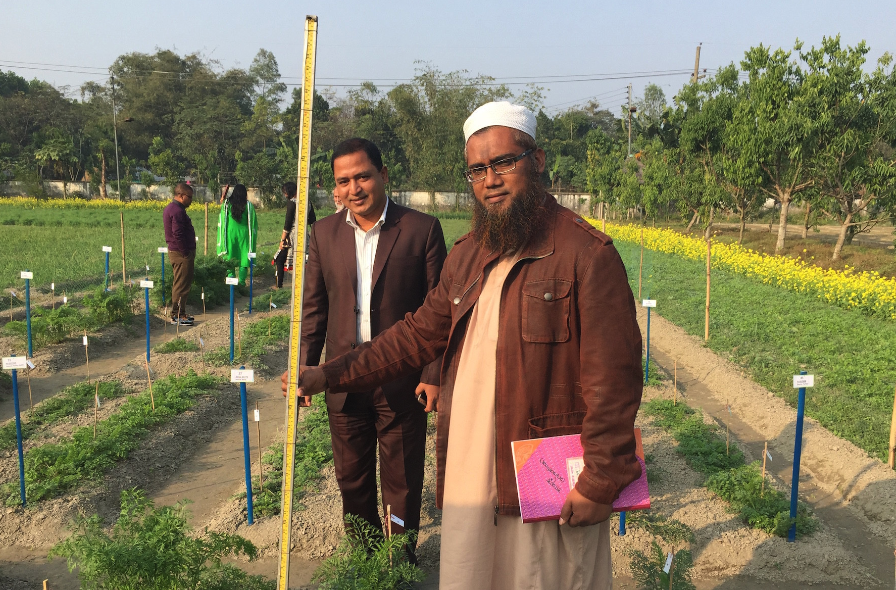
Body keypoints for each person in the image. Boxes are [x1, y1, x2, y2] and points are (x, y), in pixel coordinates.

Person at [285, 103, 643, 589]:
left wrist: (601, 479)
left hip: (540, 469)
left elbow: (613, 383)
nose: (490, 180)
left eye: (504, 163)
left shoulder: (586, 254)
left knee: (540, 577)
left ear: (536, 161)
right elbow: (412, 337)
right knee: (474, 572)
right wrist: (326, 373)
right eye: (477, 169)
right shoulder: (471, 253)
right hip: (472, 465)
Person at [298, 137, 446, 562]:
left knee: (401, 479)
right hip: (343, 378)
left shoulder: (421, 229)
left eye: (362, 176)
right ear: (334, 188)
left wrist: (432, 373)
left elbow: (439, 309)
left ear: (383, 175)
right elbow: (313, 309)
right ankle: (366, 562)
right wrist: (309, 366)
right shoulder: (323, 233)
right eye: (343, 181)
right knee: (352, 479)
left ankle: (400, 560)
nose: (353, 188)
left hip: (401, 379)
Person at [163, 182, 196, 326]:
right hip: (180, 253)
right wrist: (185, 252)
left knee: (180, 282)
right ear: (181, 196)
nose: (191, 200)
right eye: (189, 197)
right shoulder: (177, 211)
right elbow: (178, 233)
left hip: (178, 252)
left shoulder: (173, 208)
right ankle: (177, 315)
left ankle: (180, 312)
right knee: (182, 284)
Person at [273, 181, 316, 289]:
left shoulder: (292, 203)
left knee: (279, 258)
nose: (285, 195)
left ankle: (279, 285)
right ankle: (306, 286)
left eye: (285, 193)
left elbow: (287, 224)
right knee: (304, 261)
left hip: (292, 236)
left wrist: (282, 240)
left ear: (289, 191)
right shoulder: (307, 202)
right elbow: (313, 220)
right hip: (305, 235)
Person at [216, 184, 258, 283]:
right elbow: (253, 222)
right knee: (244, 257)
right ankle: (242, 282)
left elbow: (222, 218)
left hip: (229, 234)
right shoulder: (248, 205)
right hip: (244, 235)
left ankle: (231, 282)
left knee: (230, 255)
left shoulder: (227, 204)